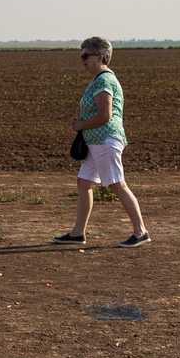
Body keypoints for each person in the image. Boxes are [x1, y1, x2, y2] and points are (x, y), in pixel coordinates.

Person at [55, 36, 150, 247]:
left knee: (117, 184)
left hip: (105, 140)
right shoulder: (99, 80)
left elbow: (105, 115)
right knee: (84, 183)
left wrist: (81, 125)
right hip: (96, 142)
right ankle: (78, 233)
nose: (83, 60)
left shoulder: (105, 80)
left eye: (86, 55)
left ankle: (141, 231)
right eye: (82, 55)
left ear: (101, 56)